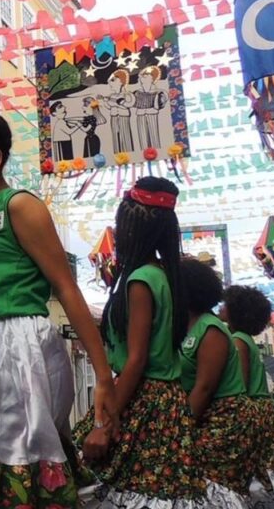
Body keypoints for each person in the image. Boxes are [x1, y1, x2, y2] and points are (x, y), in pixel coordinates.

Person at [0, 80, 117, 508]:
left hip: (22, 354)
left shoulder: (19, 206)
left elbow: (67, 290)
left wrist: (103, 377)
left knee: (17, 465)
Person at [73, 178, 204, 508]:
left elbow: (136, 360)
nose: (119, 233)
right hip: (163, 400)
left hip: (145, 399)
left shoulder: (141, 280)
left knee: (122, 494)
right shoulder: (162, 274)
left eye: (122, 224)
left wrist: (104, 424)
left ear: (136, 230)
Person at [176, 257, 253, 500]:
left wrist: (180, 431)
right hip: (201, 418)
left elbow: (205, 387)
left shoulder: (210, 329)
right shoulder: (184, 327)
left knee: (216, 494)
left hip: (220, 422)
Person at [221, 284, 274, 507]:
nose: (221, 307)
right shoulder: (245, 339)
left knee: (250, 473)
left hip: (252, 407)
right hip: (262, 408)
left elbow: (239, 383)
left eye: (226, 304)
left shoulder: (238, 341)